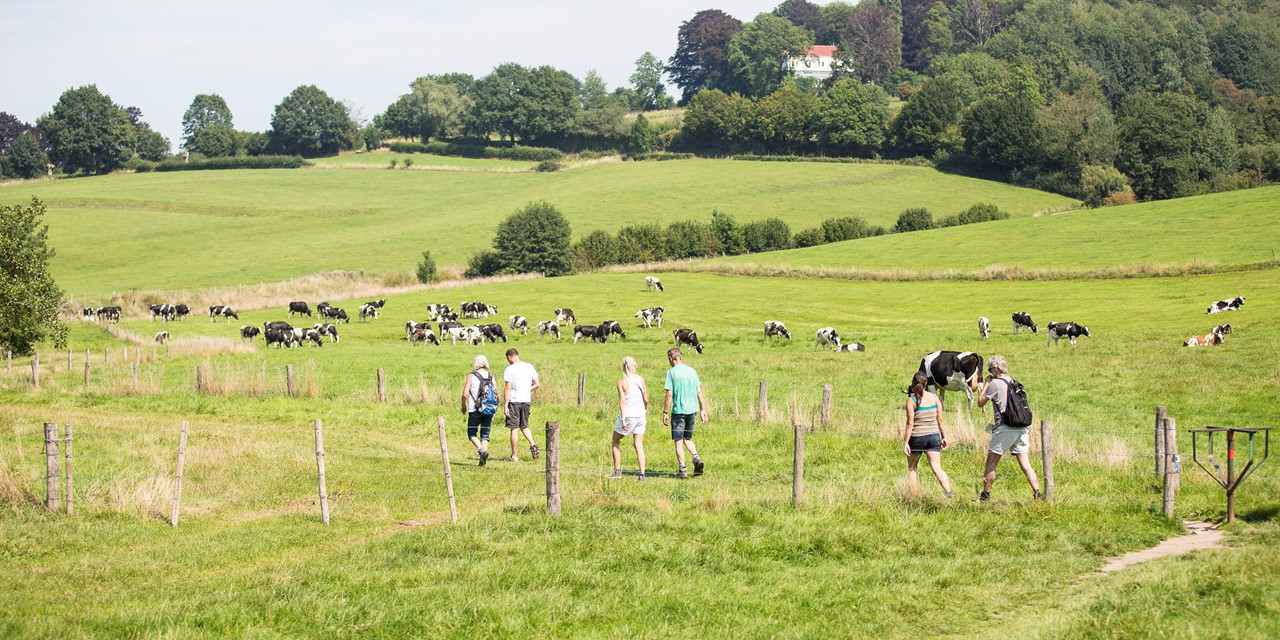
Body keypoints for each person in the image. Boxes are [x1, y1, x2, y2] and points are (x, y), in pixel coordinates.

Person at [976, 355, 1041, 501]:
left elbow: (980, 402)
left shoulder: (995, 384)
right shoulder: (1015, 382)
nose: (989, 371)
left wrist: (986, 384)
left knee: (991, 463)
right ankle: (1037, 493)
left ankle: (985, 496)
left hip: (1005, 428)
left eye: (990, 368)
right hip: (1022, 428)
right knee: (1025, 464)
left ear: (996, 368)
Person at [903, 371, 953, 498]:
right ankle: (948, 492)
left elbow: (910, 423)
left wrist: (906, 442)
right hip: (933, 436)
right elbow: (940, 420)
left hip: (917, 437)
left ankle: (914, 496)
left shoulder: (911, 400)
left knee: (912, 468)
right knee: (937, 468)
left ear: (913, 384)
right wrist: (944, 437)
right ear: (926, 384)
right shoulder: (934, 398)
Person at [663, 348, 707, 479]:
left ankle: (682, 470)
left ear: (671, 358)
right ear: (680, 357)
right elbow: (699, 392)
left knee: (678, 441)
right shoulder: (692, 371)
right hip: (692, 410)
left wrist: (665, 412)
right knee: (687, 438)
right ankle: (696, 457)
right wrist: (703, 410)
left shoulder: (670, 373)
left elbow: (669, 394)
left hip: (679, 412)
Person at [608, 356, 649, 481]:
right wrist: (644, 410)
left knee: (615, 441)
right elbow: (646, 399)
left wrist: (623, 419)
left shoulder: (621, 382)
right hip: (641, 415)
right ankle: (642, 475)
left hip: (629, 415)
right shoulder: (640, 380)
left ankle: (617, 471)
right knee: (638, 445)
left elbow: (622, 401)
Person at [502, 348, 540, 462]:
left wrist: (505, 405)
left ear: (509, 357)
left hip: (514, 401)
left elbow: (508, 387)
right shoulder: (529, 366)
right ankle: (532, 443)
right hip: (526, 400)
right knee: (524, 426)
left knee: (514, 428)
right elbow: (537, 384)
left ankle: (514, 456)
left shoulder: (509, 369)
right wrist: (526, 390)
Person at [460, 355, 496, 466]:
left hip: (474, 408)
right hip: (489, 408)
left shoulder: (471, 375)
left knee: (471, 433)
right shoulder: (491, 376)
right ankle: (482, 459)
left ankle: (481, 450)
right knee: (485, 435)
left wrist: (463, 405)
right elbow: (495, 394)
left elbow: (465, 393)